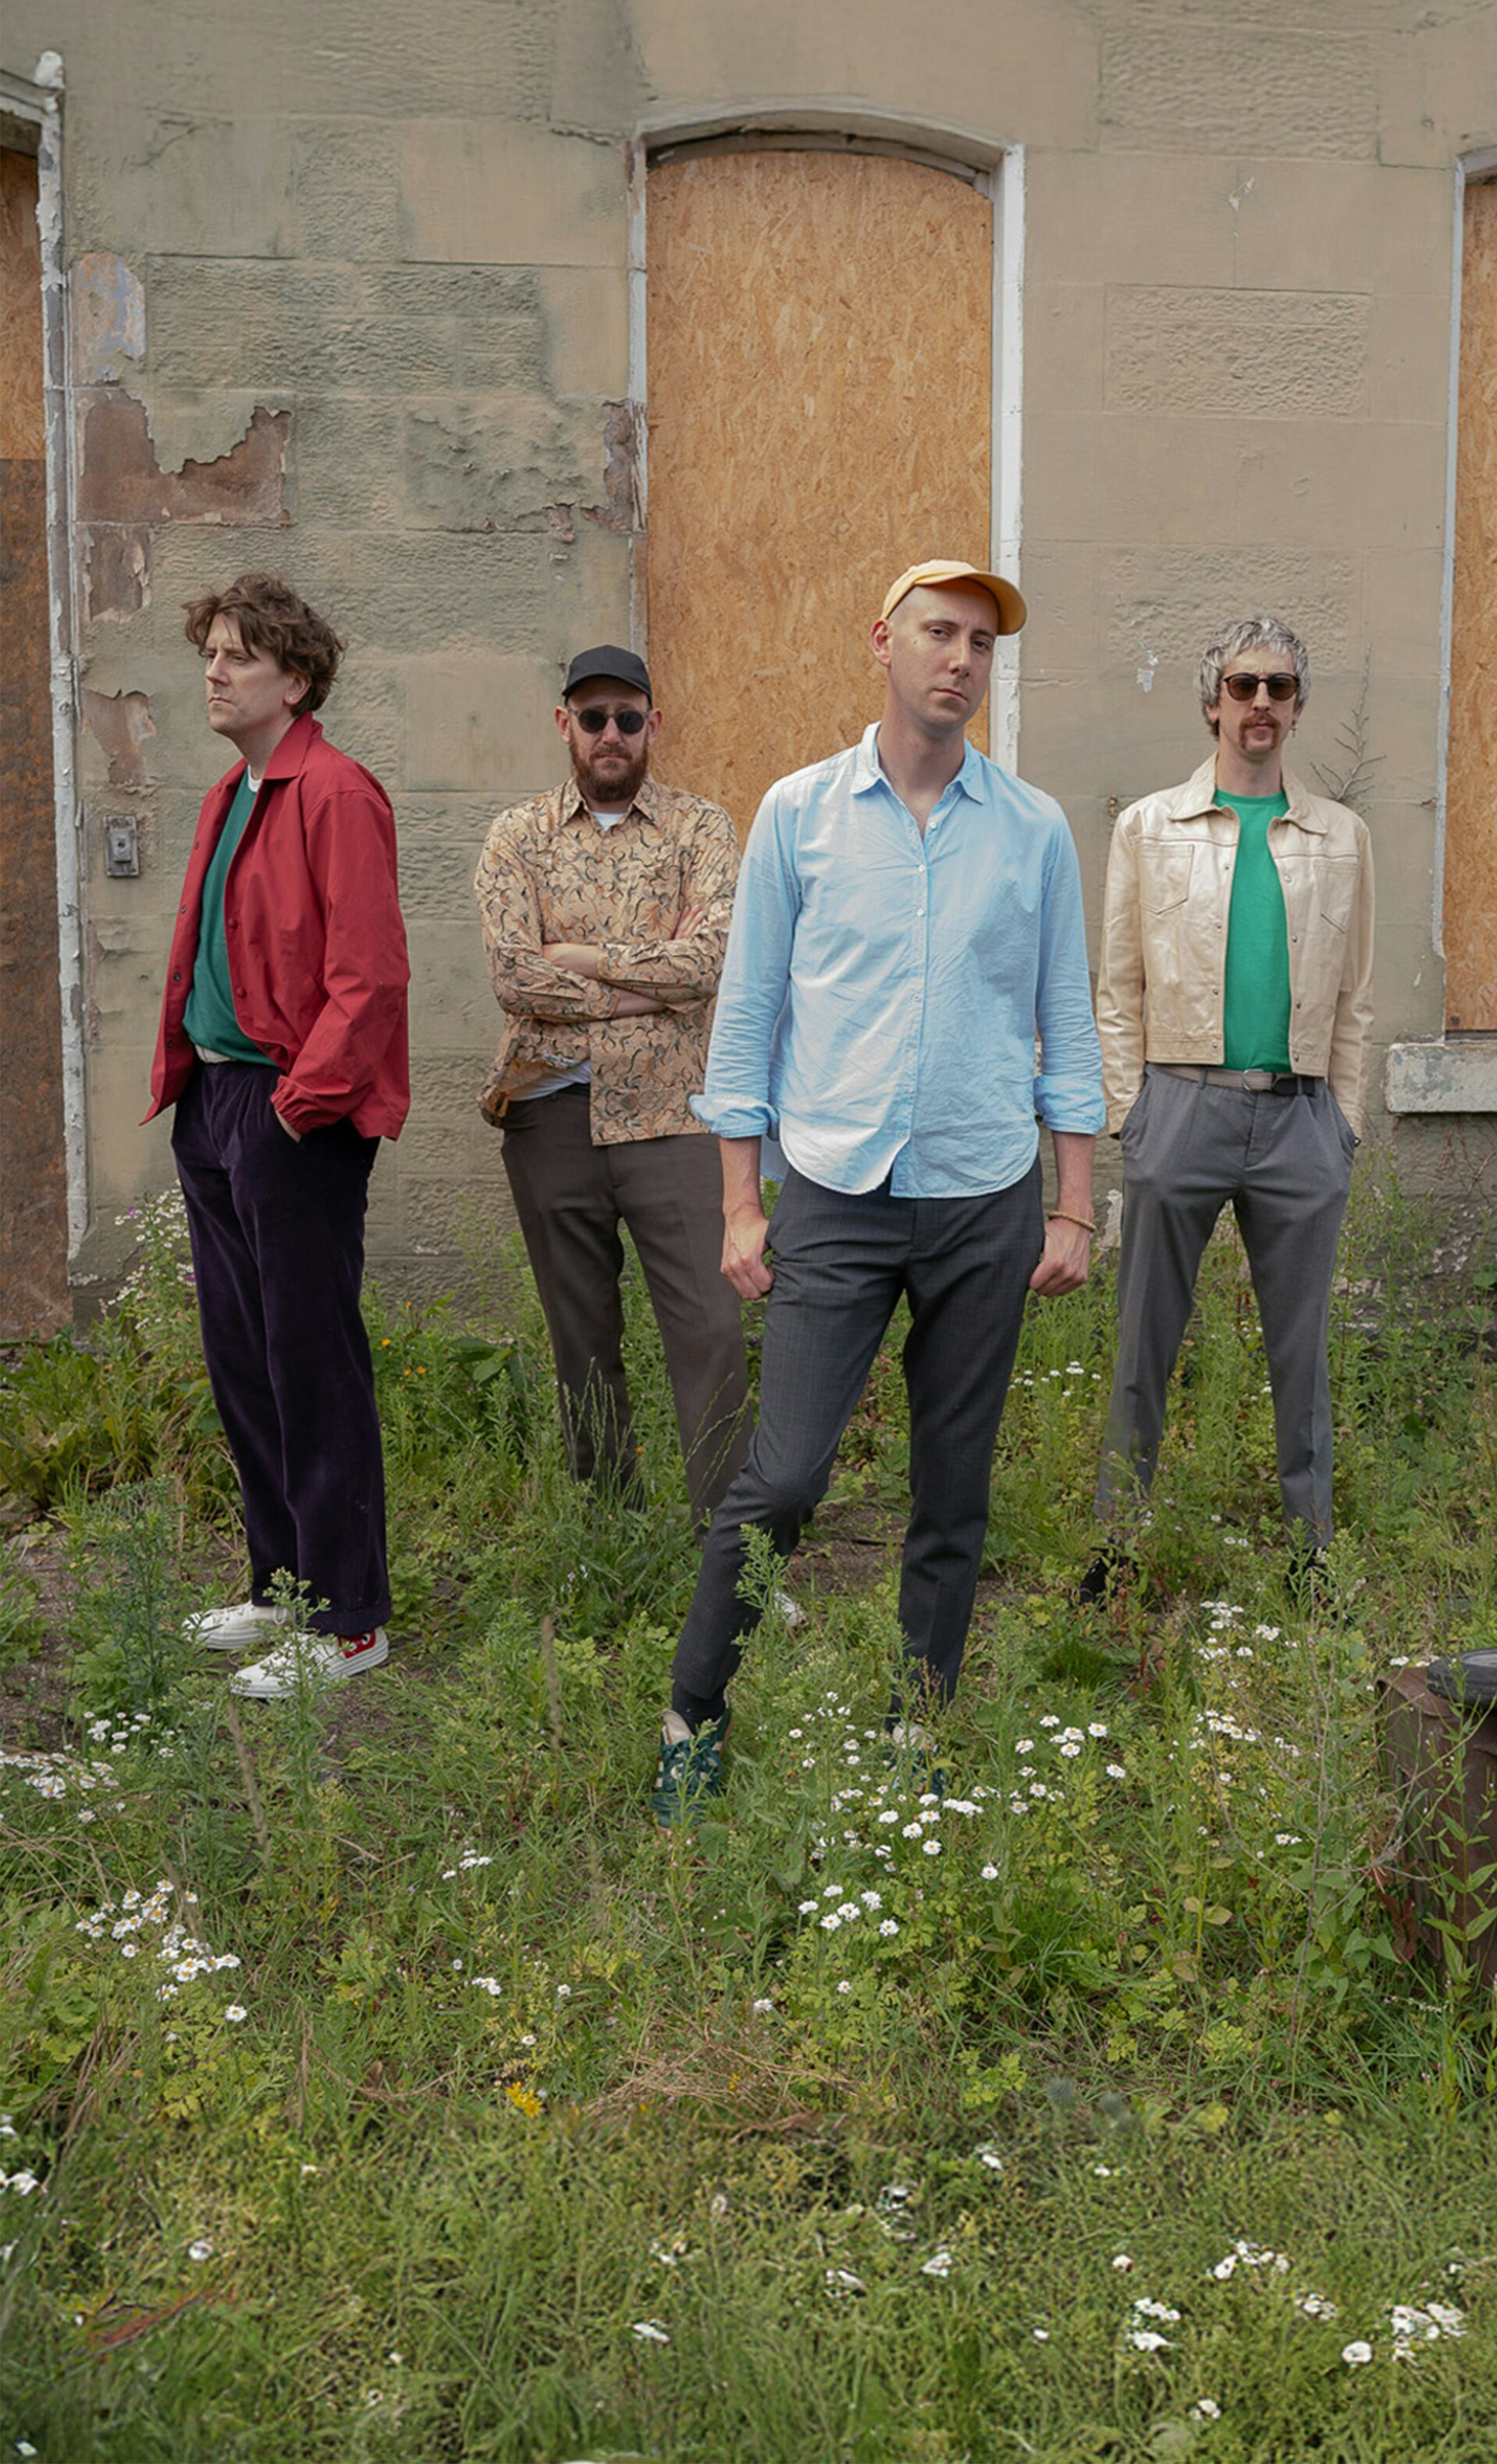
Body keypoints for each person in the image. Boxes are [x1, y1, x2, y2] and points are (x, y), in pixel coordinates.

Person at [652, 561, 1105, 1825]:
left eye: (981, 642)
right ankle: (694, 1710)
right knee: (785, 1476)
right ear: (882, 643)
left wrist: (1073, 1203)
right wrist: (742, 1203)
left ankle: (920, 1723)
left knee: (952, 1490)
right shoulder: (800, 814)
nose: (961, 659)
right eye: (938, 632)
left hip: (984, 1196)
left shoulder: (1032, 831)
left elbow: (1067, 1024)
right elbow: (748, 1016)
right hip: (837, 1192)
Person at [146, 573, 410, 1697]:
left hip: (290, 1109)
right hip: (215, 1104)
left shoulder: (336, 793)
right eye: (209, 652)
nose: (214, 672)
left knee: (310, 1359)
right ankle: (284, 1584)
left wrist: (301, 1104)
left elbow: (370, 975)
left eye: (238, 656)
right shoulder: (233, 791)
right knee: (245, 1356)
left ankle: (349, 1621)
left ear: (296, 680)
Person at [1086, 613, 1374, 1600]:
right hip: (1181, 1105)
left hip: (1301, 1118)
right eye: (1243, 685)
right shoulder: (1150, 827)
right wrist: (1131, 1116)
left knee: (1303, 1353)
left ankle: (1311, 1556)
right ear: (1212, 702)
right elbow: (1118, 985)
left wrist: (1343, 1123)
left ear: (1297, 705)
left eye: (1278, 687)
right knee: (1143, 1342)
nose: (1261, 702)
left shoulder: (1341, 837)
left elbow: (1355, 997)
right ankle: (1117, 1547)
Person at [475, 646, 750, 1530]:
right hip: (550, 1113)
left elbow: (708, 963)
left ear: (652, 724)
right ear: (566, 724)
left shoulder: (700, 829)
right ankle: (611, 1533)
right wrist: (645, 985)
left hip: (675, 1115)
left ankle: (732, 1547)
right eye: (592, 717)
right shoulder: (517, 836)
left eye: (628, 718)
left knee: (712, 1330)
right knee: (582, 1341)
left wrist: (580, 959)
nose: (610, 734)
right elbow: (515, 976)